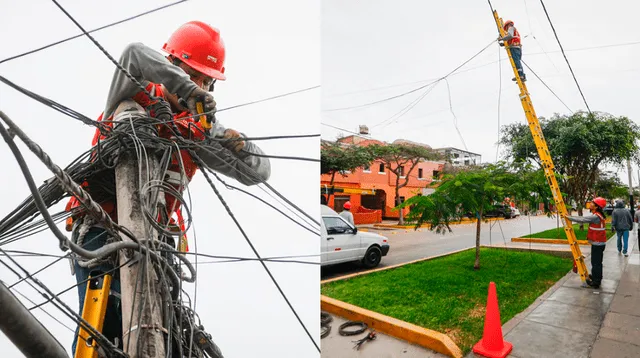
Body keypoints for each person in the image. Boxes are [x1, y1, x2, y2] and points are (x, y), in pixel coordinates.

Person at [65, 21, 271, 354]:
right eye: (193, 75)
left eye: (206, 80)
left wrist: (229, 138)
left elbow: (259, 171)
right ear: (170, 66)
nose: (200, 84)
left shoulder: (199, 132)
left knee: (170, 340)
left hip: (156, 246)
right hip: (100, 230)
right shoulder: (133, 92)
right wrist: (190, 91)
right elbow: (133, 53)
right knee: (107, 327)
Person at [566, 197, 608, 289]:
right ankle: (596, 276)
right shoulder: (598, 215)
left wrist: (568, 217)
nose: (590, 204)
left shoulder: (596, 216)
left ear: (596, 207)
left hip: (598, 243)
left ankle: (596, 282)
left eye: (592, 203)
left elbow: (583, 219)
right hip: (598, 243)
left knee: (596, 263)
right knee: (596, 262)